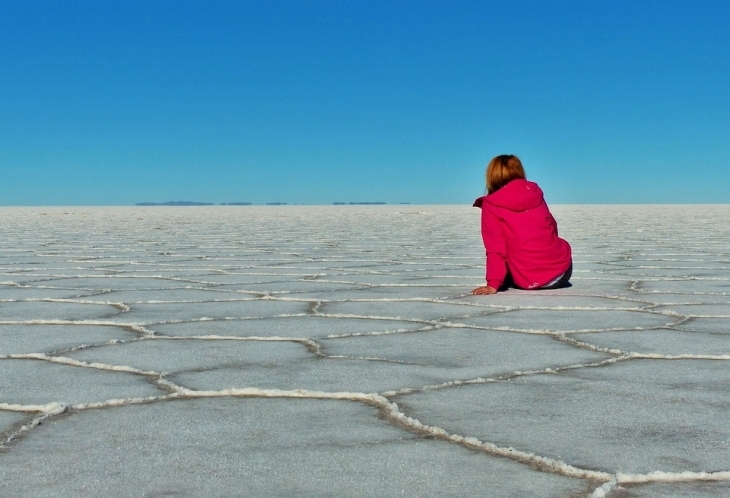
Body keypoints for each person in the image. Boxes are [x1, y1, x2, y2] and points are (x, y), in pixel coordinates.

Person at [471, 154, 572, 295]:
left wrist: (493, 284)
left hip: (528, 279)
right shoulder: (534, 193)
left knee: (510, 262)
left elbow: (495, 248)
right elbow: (551, 226)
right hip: (561, 272)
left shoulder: (491, 204)